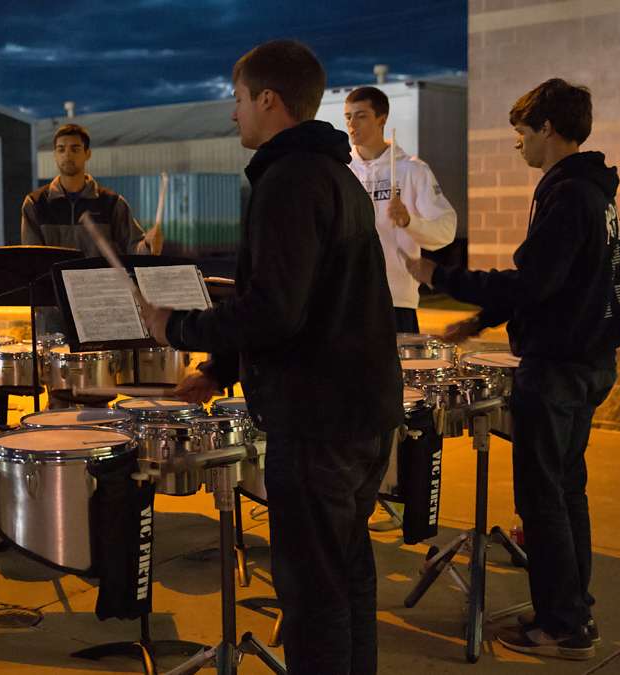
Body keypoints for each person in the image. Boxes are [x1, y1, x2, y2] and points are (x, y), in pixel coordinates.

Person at [142, 40, 402, 673]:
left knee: (312, 595)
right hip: (360, 413)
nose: (234, 115)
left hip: (317, 423)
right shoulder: (334, 174)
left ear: (268, 100)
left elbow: (275, 310)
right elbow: (309, 301)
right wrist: (222, 369)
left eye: (238, 100)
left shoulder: (288, 181)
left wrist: (176, 326)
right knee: (347, 576)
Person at [407, 78, 620, 661]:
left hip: (558, 367)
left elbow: (533, 282)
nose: (519, 146)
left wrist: (440, 277)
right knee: (567, 489)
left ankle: (563, 626)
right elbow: (552, 286)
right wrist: (477, 322)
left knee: (543, 498)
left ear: (547, 129)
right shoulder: (593, 192)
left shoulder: (570, 195)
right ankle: (572, 606)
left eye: (521, 135)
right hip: (588, 361)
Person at [345, 86, 457, 334]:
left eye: (361, 115)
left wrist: (409, 221)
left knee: (396, 373)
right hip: (346, 298)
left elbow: (446, 231)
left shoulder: (412, 170)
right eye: (348, 116)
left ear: (381, 119)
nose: (352, 123)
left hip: (396, 300)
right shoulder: (343, 171)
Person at [21, 123, 161, 257]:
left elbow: (135, 249)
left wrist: (148, 245)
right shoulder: (35, 203)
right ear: (55, 154)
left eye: (75, 149)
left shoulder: (112, 203)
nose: (67, 155)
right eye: (61, 149)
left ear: (87, 154)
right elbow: (32, 259)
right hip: (53, 282)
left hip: (99, 282)